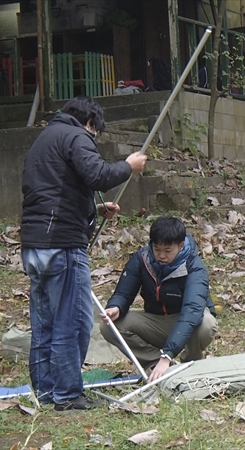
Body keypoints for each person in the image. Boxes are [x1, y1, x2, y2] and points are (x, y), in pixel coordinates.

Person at [21, 96, 148, 412]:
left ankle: (47, 391)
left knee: (44, 323)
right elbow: (97, 175)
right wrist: (128, 166)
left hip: (35, 243)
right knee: (72, 321)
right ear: (90, 123)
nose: (94, 138)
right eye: (96, 133)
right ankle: (67, 394)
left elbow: (57, 188)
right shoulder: (77, 135)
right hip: (62, 243)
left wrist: (94, 207)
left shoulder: (44, 140)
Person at [100, 216, 218, 382]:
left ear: (181, 245)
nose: (161, 255)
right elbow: (123, 294)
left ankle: (191, 363)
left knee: (206, 323)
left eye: (168, 251)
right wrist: (116, 307)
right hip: (155, 322)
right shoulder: (142, 259)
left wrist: (167, 354)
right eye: (157, 249)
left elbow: (192, 311)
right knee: (109, 326)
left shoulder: (194, 266)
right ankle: (156, 364)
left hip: (185, 321)